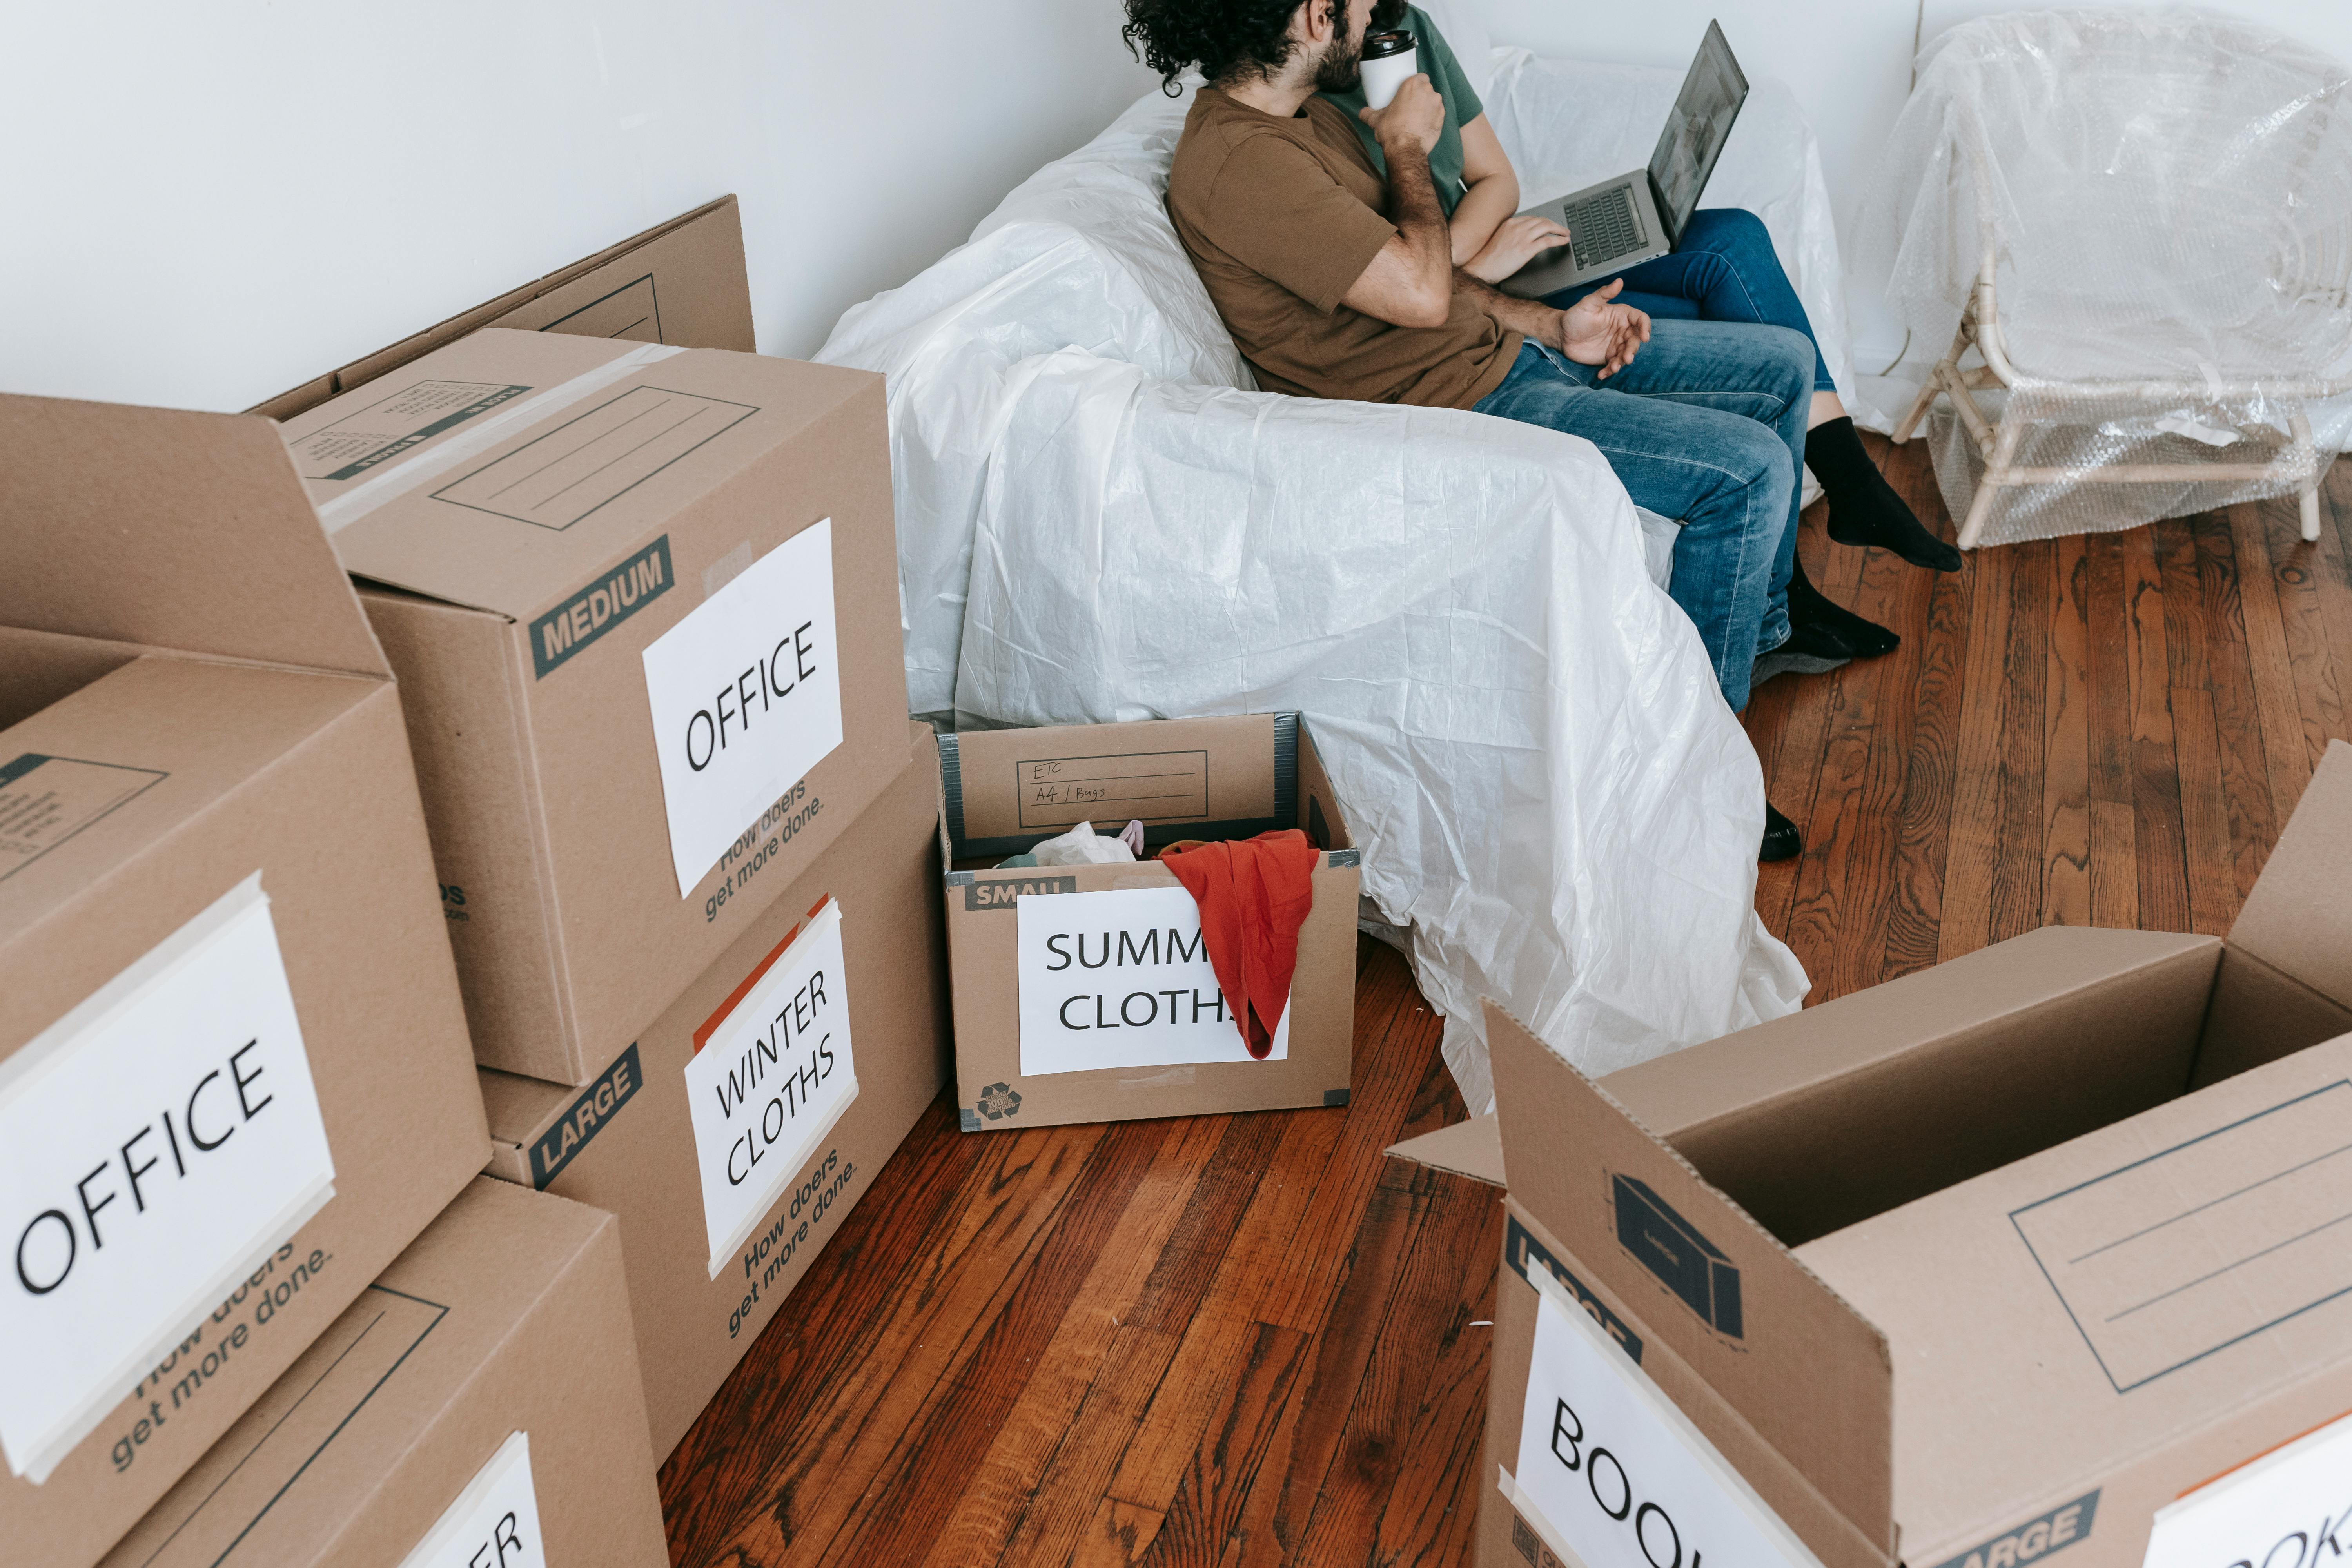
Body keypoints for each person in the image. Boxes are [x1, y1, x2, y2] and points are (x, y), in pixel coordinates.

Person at [1123, 0, 1897, 860]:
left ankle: (1754, 636)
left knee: (1783, 362)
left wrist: (1546, 323)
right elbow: (1420, 290)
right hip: (1453, 405)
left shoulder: (1298, 124)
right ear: (1314, 18)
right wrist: (1406, 144)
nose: (1374, 12)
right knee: (1745, 473)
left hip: (1498, 354)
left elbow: (1431, 285)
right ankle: (1694, 784)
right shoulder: (1243, 167)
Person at [1319, 2, 1962, 577]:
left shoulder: (1410, 31)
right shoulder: (1313, 111)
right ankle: (1811, 553)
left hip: (1487, 255)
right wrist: (1475, 269)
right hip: (1466, 289)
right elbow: (1400, 281)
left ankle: (1846, 492)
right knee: (1706, 310)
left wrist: (1476, 250)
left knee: (1735, 236)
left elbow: (1496, 179)